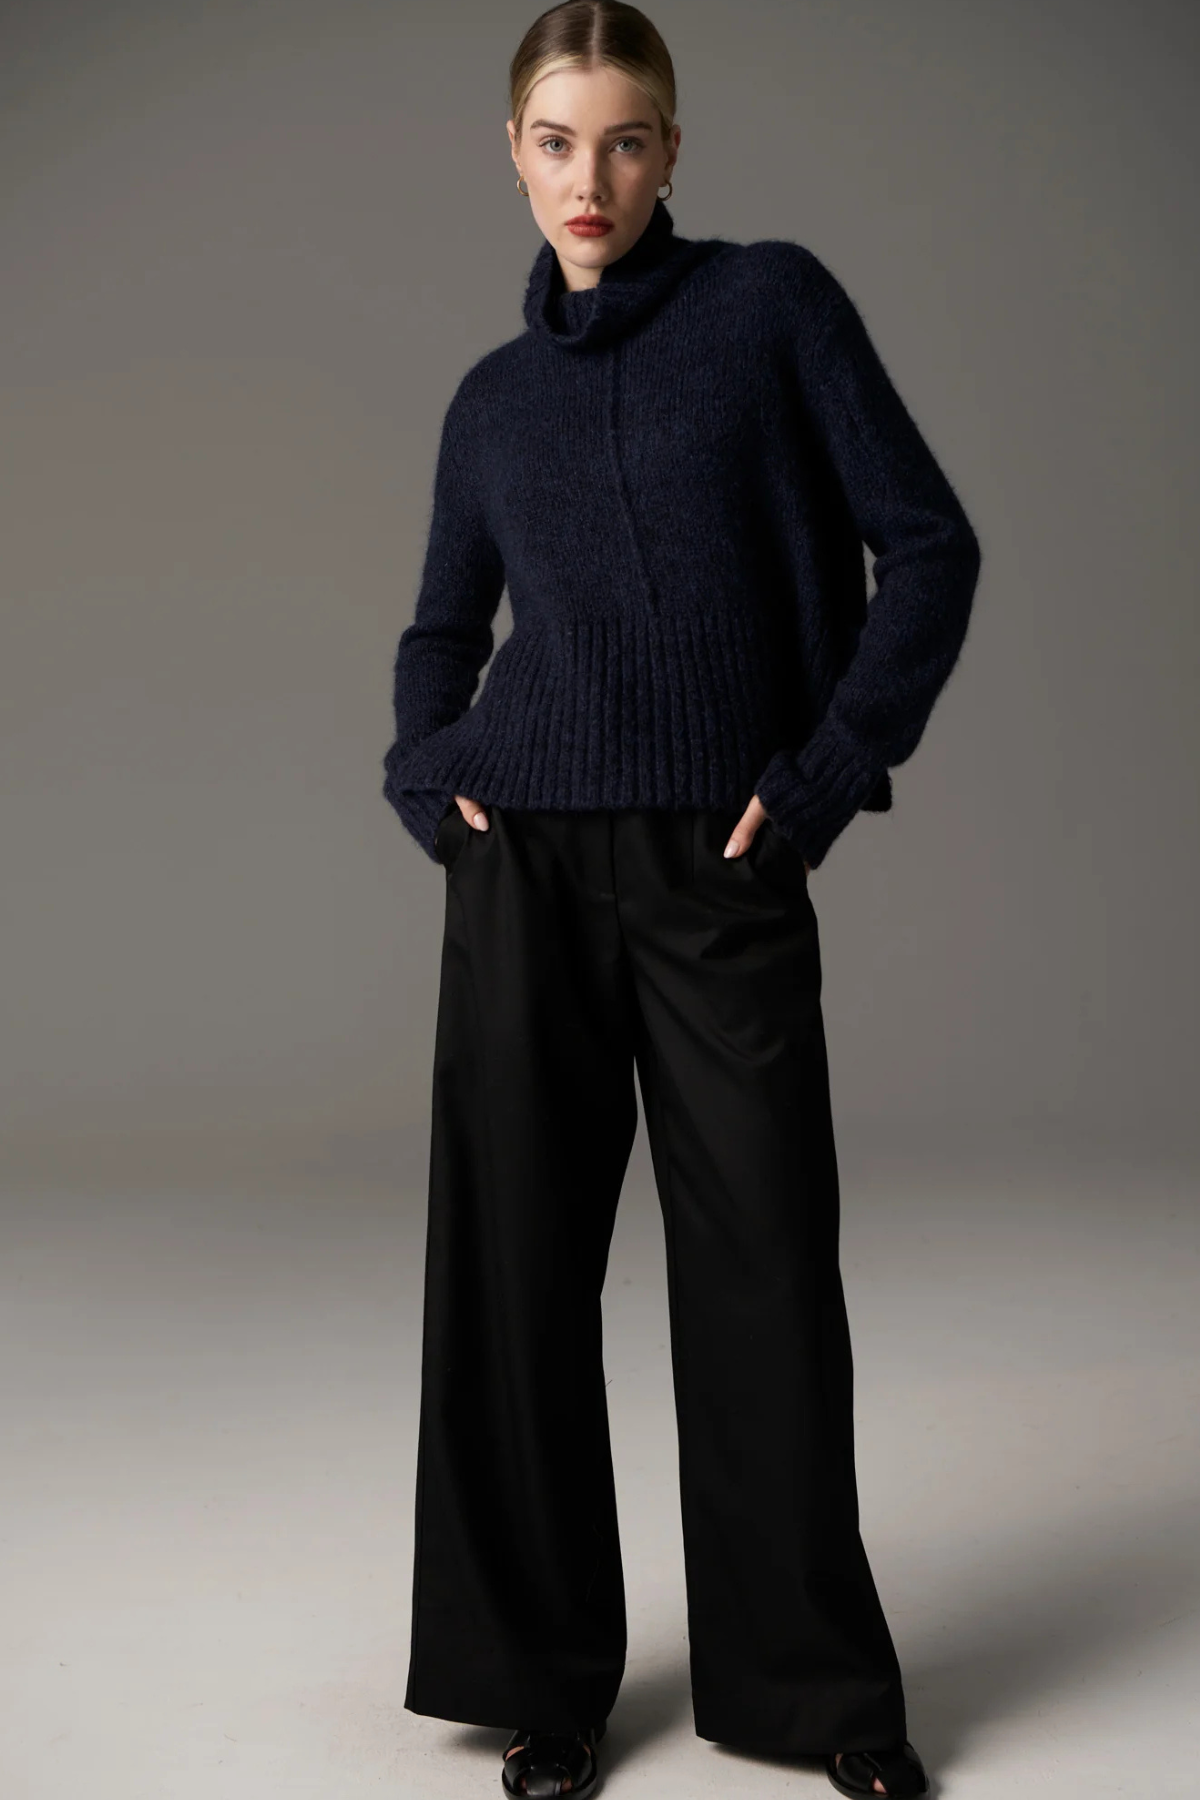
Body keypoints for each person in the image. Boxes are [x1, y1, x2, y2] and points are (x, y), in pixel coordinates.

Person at [381, 5, 981, 1796]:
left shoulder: (771, 307)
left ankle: (815, 1694)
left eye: (626, 140)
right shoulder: (491, 403)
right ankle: (540, 1683)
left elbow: (929, 546)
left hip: (720, 861)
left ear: (671, 151)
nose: (593, 179)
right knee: (510, 1276)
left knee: (765, 1269)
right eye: (558, 142)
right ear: (512, 153)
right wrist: (428, 772)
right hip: (524, 865)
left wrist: (825, 771)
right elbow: (439, 633)